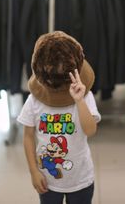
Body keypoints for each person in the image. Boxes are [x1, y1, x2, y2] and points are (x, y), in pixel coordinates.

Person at [17, 31, 101, 204]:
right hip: (48, 180)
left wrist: (79, 101)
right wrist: (33, 171)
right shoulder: (34, 100)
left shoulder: (84, 96)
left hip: (81, 178)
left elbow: (90, 130)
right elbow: (27, 136)